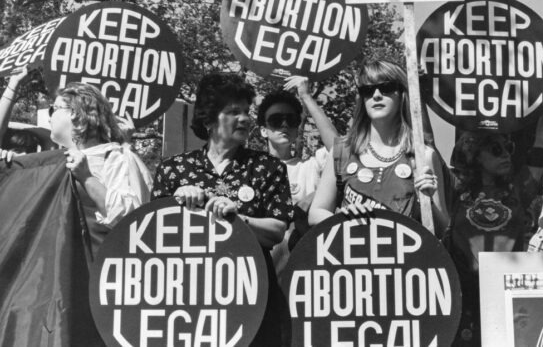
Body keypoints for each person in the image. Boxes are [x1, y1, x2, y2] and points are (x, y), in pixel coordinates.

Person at [151, 72, 294, 346]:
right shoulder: (173, 169)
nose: (245, 118)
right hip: (189, 297)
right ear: (208, 119)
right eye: (233, 112)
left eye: (246, 111)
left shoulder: (268, 167)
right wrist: (177, 203)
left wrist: (238, 219)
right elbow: (154, 237)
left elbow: (276, 232)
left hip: (249, 295)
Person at [445, 55, 543, 346]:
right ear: (475, 155)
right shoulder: (455, 190)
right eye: (496, 149)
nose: (507, 154)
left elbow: (542, 142)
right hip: (462, 297)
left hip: (508, 293)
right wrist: (422, 90)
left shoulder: (518, 188)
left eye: (509, 147)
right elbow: (426, 144)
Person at [308, 59, 449, 236]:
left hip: (405, 259)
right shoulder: (342, 150)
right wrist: (342, 219)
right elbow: (315, 213)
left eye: (386, 87)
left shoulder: (423, 156)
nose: (376, 95)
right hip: (350, 256)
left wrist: (427, 200)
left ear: (402, 93)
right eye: (367, 90)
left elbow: (443, 231)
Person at [50, 82, 153, 253]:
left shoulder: (118, 159)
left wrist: (87, 178)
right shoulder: (56, 161)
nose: (50, 116)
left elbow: (132, 222)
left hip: (99, 269)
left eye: (55, 108)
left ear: (74, 113)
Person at [257, 76, 338, 276]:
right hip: (263, 271)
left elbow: (339, 149)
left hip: (306, 268)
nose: (284, 126)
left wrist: (306, 97)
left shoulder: (312, 166)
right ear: (263, 130)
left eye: (291, 121)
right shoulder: (250, 171)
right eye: (276, 121)